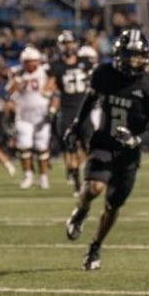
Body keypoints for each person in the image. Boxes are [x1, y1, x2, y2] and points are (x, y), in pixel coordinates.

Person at [63, 29, 149, 270]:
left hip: (129, 153)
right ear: (119, 54)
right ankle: (81, 211)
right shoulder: (103, 74)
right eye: (129, 55)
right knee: (93, 188)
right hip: (104, 141)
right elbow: (90, 100)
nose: (134, 61)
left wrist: (138, 140)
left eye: (138, 56)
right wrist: (76, 126)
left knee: (113, 206)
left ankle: (95, 246)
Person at [49, 31, 93, 192]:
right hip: (67, 110)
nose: (68, 46)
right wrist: (52, 100)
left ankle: (76, 172)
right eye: (65, 43)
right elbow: (49, 86)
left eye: (70, 42)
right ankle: (76, 183)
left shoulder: (85, 62)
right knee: (70, 148)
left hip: (85, 109)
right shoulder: (56, 66)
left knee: (88, 147)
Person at [9, 45, 56, 190]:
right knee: (24, 147)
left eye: (33, 61)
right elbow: (9, 92)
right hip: (23, 115)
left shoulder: (46, 72)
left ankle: (43, 178)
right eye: (27, 61)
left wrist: (51, 102)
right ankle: (28, 176)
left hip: (41, 114)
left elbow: (53, 87)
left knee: (42, 148)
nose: (30, 64)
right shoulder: (17, 73)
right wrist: (17, 83)